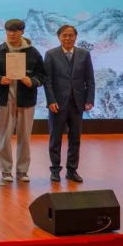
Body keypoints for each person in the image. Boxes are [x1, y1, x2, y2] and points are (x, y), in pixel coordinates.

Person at [0, 19, 45, 182]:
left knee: (25, 137)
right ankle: (6, 170)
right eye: (8, 31)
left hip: (26, 100)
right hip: (4, 99)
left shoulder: (33, 53)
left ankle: (22, 170)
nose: (11, 34)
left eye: (15, 31)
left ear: (22, 32)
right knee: (4, 136)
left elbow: (42, 76)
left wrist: (31, 81)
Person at [44, 25, 95, 183]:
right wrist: (51, 100)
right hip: (57, 104)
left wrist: (89, 99)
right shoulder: (51, 54)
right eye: (64, 35)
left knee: (75, 139)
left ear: (75, 37)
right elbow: (47, 81)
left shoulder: (84, 54)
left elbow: (90, 79)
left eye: (71, 35)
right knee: (55, 139)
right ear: (59, 37)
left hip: (77, 103)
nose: (68, 38)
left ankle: (72, 170)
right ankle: (55, 170)